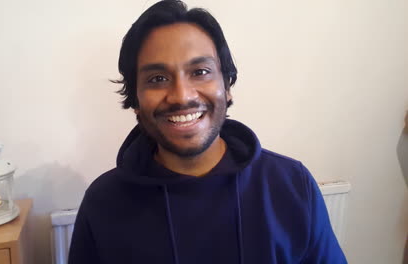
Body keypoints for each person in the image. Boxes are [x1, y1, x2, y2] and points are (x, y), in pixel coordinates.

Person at [68, 0, 347, 263]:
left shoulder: (291, 185)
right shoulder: (104, 202)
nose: (181, 96)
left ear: (226, 86)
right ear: (136, 101)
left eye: (200, 71)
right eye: (158, 78)